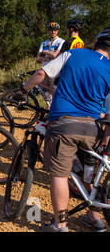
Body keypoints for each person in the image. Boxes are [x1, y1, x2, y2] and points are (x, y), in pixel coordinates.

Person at [12, 27, 110, 232]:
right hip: (92, 128)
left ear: (94, 45)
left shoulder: (75, 53)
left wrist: (23, 90)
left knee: (59, 174)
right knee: (88, 174)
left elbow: (41, 73)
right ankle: (94, 218)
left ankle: (60, 225)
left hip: (64, 123)